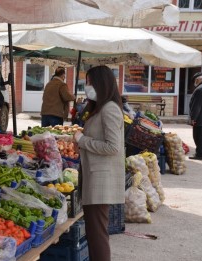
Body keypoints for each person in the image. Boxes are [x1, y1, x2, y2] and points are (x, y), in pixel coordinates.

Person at [73, 66, 125, 261]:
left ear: (100, 84)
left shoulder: (110, 108)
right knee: (95, 233)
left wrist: (82, 140)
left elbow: (113, 147)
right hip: (93, 176)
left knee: (97, 235)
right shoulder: (101, 107)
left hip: (100, 179)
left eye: (89, 82)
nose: (87, 86)